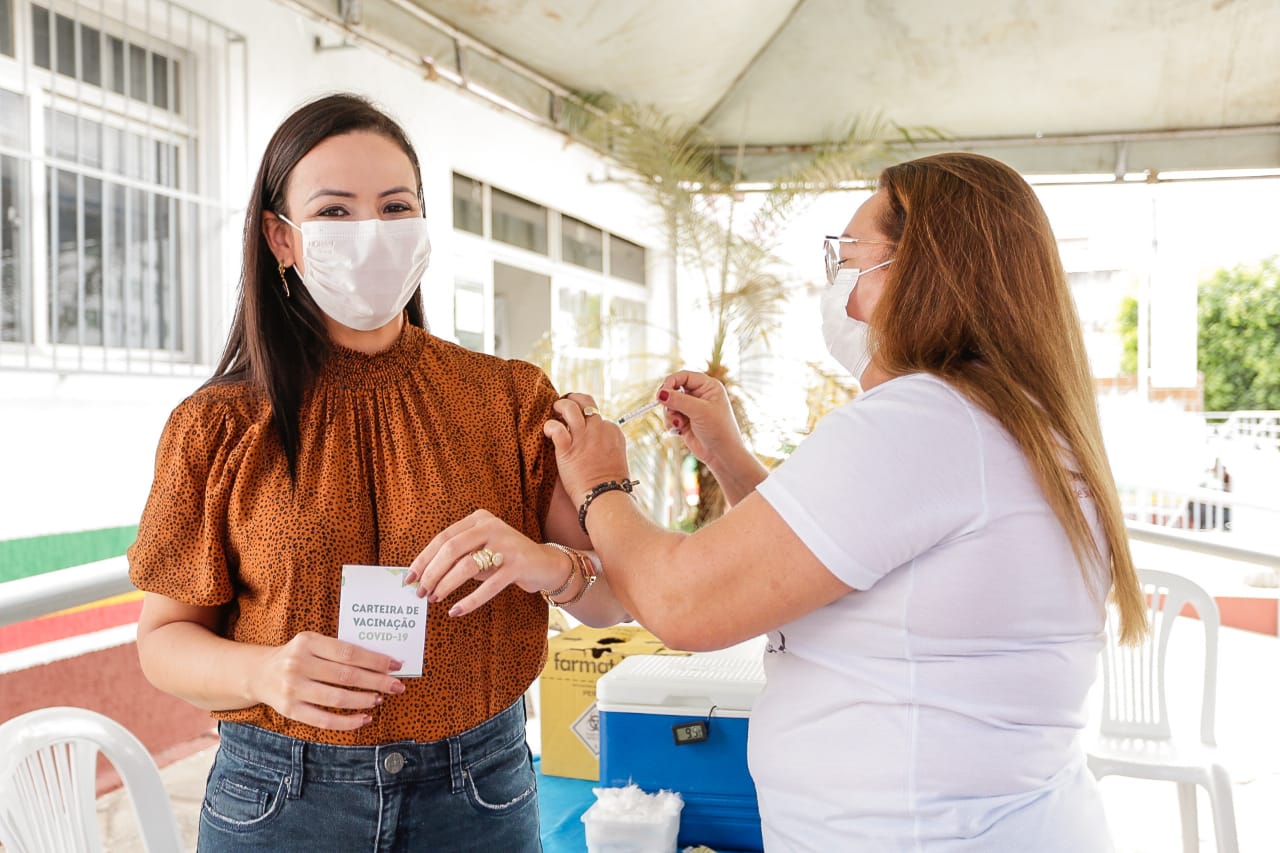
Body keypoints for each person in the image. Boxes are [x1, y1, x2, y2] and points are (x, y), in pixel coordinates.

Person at [408, 152, 1148, 851]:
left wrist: (600, 483)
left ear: (924, 275)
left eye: (850, 261)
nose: (838, 290)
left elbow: (682, 600)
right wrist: (727, 457)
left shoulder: (926, 421)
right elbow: (827, 560)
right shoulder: (1002, 418)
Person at [128, 93, 627, 853]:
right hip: (280, 797)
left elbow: (614, 599)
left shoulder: (509, 398)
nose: (372, 234)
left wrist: (547, 564)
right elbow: (164, 639)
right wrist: (265, 672)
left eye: (397, 207)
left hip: (478, 791)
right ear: (280, 237)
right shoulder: (217, 424)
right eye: (334, 212)